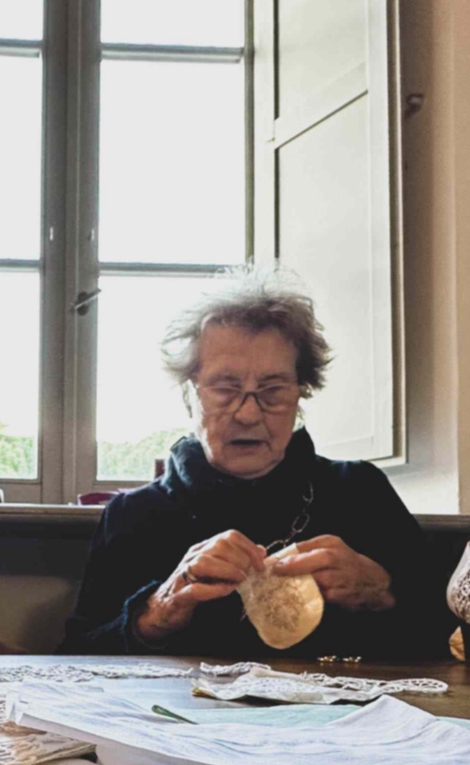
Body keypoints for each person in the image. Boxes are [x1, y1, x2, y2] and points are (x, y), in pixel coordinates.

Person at [61, 271, 445, 658]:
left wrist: (382, 594)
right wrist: (160, 608)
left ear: (301, 393)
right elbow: (75, 659)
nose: (247, 414)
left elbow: (448, 640)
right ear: (189, 396)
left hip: (337, 717)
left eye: (272, 391)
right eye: (225, 389)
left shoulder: (360, 491)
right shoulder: (134, 514)